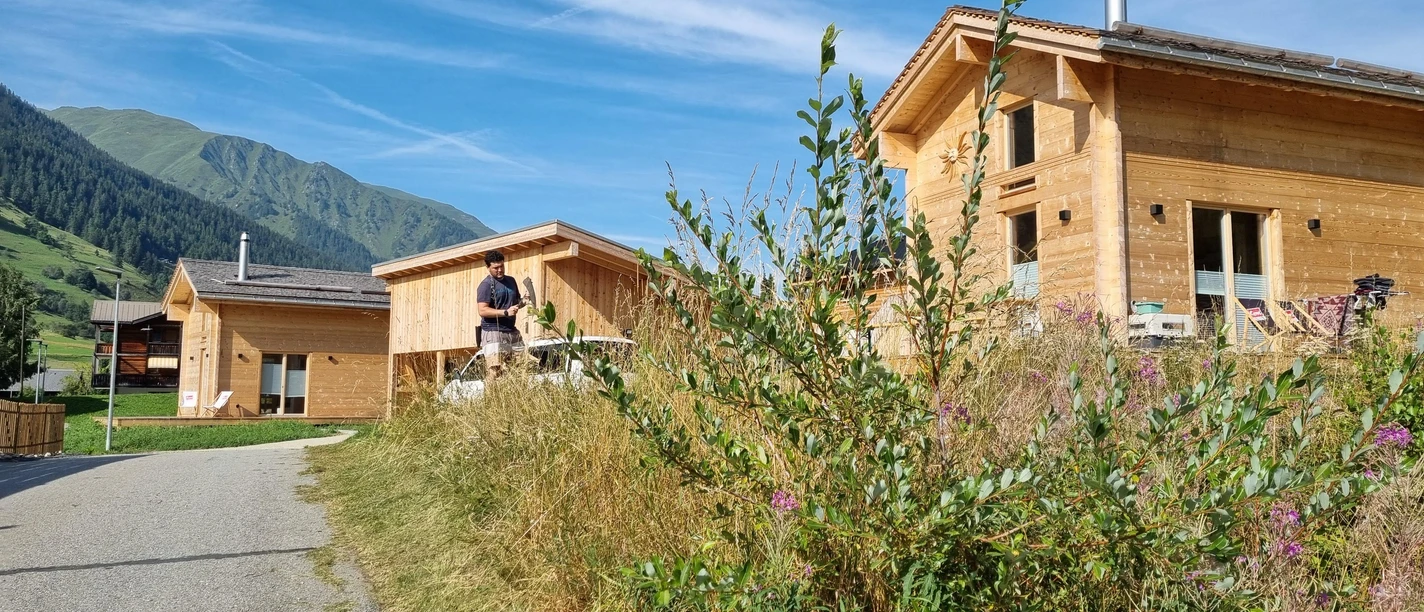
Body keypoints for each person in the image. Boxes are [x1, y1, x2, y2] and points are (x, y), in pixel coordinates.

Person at [476, 250, 523, 379]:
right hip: (493, 331)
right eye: (495, 268)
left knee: (521, 369)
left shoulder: (511, 281)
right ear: (488, 267)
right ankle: (491, 393)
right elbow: (482, 310)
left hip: (511, 330)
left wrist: (524, 301)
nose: (500, 270)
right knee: (495, 371)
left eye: (501, 266)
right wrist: (505, 312)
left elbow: (515, 303)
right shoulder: (485, 285)